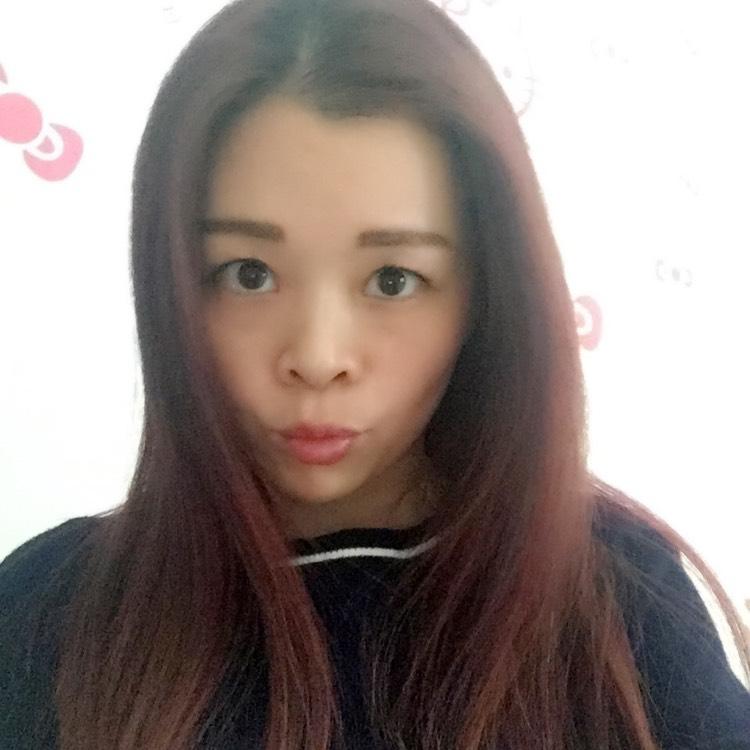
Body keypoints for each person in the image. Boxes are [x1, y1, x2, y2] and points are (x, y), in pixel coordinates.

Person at [1, 0, 749, 748]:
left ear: (484, 296)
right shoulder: (46, 610)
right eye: (249, 273)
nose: (318, 356)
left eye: (393, 279)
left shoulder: (617, 596)